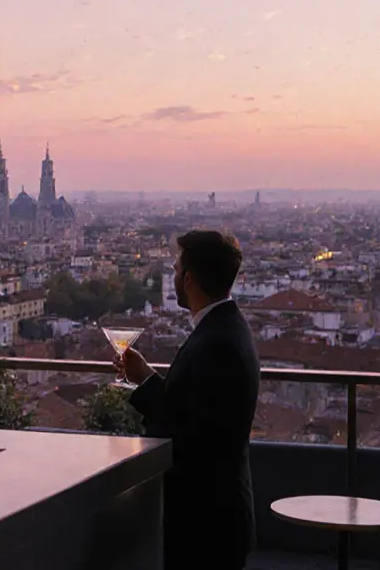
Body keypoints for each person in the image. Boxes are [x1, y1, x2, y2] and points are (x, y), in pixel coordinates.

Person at [116, 230, 260, 569]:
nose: (174, 274)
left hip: (206, 521)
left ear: (190, 278)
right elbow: (195, 408)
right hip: (216, 515)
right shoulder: (227, 327)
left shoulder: (216, 342)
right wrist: (146, 376)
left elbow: (189, 431)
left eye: (176, 268)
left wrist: (146, 383)